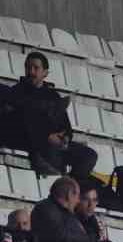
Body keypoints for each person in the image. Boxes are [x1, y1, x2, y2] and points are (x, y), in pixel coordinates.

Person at [0, 51, 99, 182]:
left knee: (89, 155)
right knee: (51, 153)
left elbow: (66, 125)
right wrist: (47, 137)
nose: (31, 71)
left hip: (55, 144)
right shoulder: (16, 93)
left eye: (36, 68)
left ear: (45, 73)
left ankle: (71, 187)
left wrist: (65, 138)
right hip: (34, 143)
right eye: (28, 67)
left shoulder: (53, 96)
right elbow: (20, 126)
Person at [30, 177, 99, 242]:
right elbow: (63, 236)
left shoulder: (64, 211)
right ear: (69, 194)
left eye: (94, 200)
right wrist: (89, 240)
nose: (77, 201)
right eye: (77, 196)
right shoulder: (46, 209)